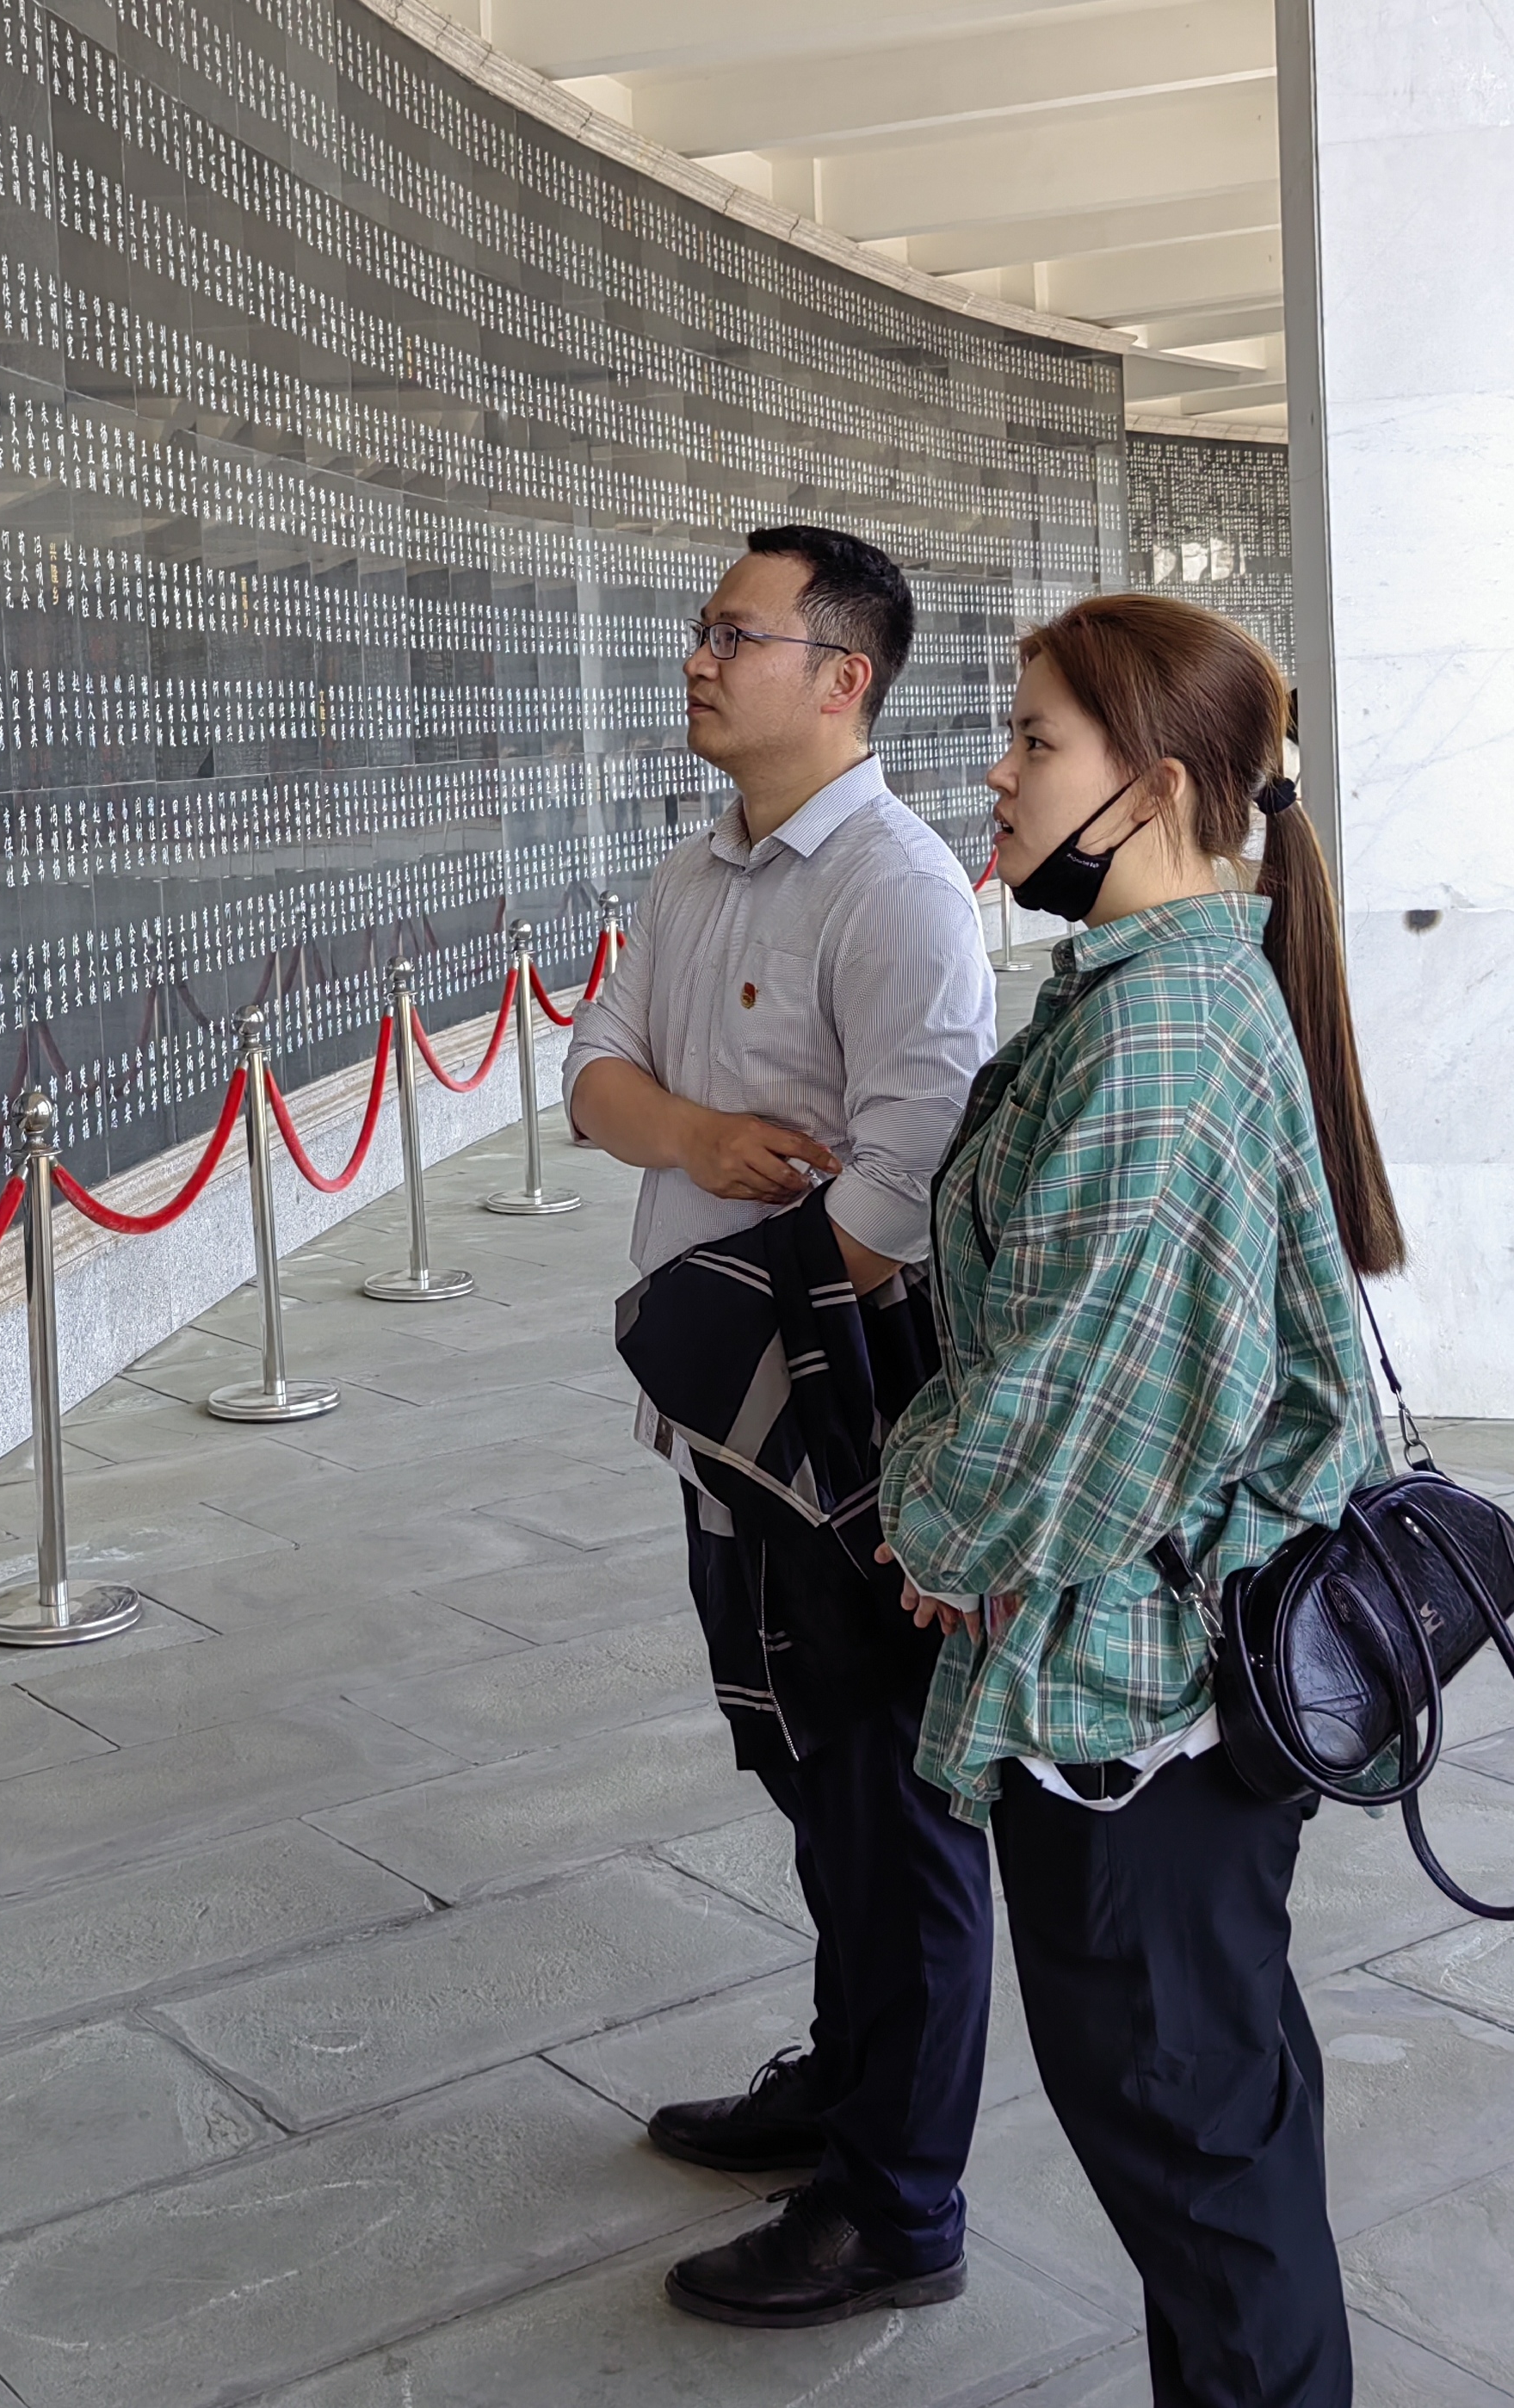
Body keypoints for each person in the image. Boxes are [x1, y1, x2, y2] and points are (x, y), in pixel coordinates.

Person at [881, 593, 1400, 2407]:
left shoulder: (1154, 1035)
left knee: (1197, 2163)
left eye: (1034, 739)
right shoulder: (1156, 987)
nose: (996, 774)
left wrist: (930, 1523)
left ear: (1153, 787)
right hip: (1172, 1684)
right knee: (1217, 2130)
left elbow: (1066, 1404)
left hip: (1138, 1708)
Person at [564, 525, 1000, 2325]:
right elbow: (591, 1077)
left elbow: (909, 1178)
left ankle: (898, 2206)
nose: (695, 655)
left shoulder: (894, 890)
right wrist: (692, 1136)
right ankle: (842, 2080)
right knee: (800, 1772)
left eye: (733, 633)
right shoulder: (692, 872)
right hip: (716, 1433)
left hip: (841, 1437)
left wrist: (733, 1308)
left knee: (892, 1815)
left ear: (840, 676)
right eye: (700, 628)